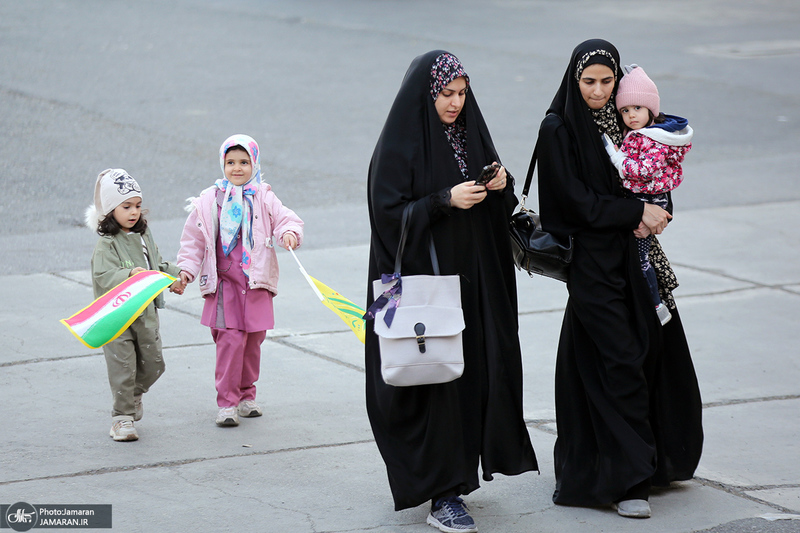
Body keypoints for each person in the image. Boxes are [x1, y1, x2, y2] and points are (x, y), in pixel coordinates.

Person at [364, 50, 537, 533]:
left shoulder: (468, 132)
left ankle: (458, 480)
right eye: (446, 94)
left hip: (474, 282)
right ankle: (443, 494)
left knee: (471, 378)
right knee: (434, 384)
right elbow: (387, 214)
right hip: (424, 287)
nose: (456, 103)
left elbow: (501, 208)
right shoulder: (400, 142)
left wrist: (501, 184)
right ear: (426, 92)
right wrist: (443, 200)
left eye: (462, 93)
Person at [534, 39, 703, 519]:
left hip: (634, 260)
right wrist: (634, 210)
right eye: (589, 82)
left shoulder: (624, 117)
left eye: (607, 82)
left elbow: (654, 174)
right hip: (591, 266)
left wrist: (658, 208)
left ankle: (611, 465)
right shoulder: (558, 128)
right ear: (574, 79)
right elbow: (570, 205)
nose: (598, 91)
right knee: (620, 360)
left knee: (635, 354)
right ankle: (627, 481)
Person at [177, 134, 304, 427]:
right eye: (231, 162)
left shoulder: (263, 196)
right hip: (225, 286)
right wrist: (186, 271)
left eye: (244, 162)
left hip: (256, 284)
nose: (237, 168)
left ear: (254, 163)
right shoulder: (209, 201)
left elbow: (287, 219)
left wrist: (289, 234)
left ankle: (247, 396)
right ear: (222, 163)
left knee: (253, 342)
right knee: (230, 341)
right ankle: (227, 403)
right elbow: (193, 242)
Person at [87, 168, 184, 441]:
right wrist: (129, 274)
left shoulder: (143, 236)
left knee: (155, 364)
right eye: (126, 206)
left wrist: (175, 276)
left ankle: (133, 394)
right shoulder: (107, 244)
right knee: (123, 367)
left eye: (138, 206)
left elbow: (157, 265)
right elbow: (103, 276)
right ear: (109, 210)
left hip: (146, 315)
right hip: (117, 316)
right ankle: (122, 417)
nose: (134, 212)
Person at [603, 64, 694, 325]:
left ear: (651, 110)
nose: (631, 115)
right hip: (647, 199)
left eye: (638, 108)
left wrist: (616, 157)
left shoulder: (653, 140)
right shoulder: (639, 134)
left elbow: (643, 170)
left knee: (642, 259)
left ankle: (656, 305)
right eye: (625, 110)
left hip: (649, 201)